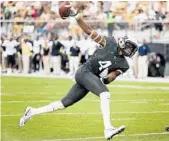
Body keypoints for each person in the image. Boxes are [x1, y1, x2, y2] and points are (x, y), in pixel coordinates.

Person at [19, 5, 138, 140]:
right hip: (84, 71)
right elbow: (88, 30)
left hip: (92, 77)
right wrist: (76, 15)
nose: (130, 50)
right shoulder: (109, 42)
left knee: (63, 104)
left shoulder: (124, 65)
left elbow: (110, 78)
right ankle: (108, 128)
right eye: (130, 46)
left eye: (132, 48)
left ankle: (32, 111)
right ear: (123, 42)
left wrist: (107, 77)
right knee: (105, 94)